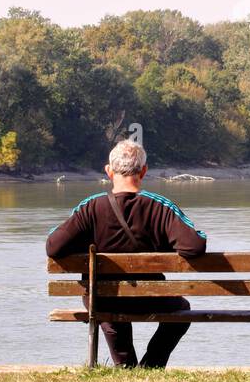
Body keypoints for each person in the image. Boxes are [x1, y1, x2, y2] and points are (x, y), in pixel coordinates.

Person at [45, 140, 206, 368]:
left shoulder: (89, 208)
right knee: (182, 309)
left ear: (109, 171)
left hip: (103, 300)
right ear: (144, 171)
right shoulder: (161, 207)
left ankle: (126, 365)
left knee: (104, 304)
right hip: (151, 298)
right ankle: (151, 365)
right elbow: (196, 245)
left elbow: (53, 246)